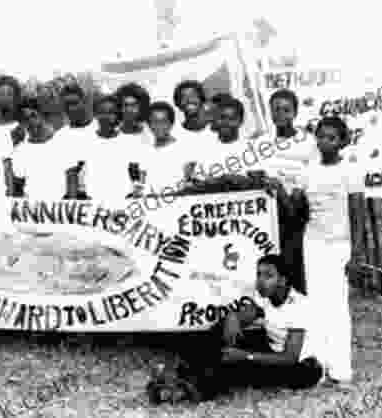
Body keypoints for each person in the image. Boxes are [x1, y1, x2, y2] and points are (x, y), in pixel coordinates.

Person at [150, 254, 323, 404]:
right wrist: (233, 319)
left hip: (302, 368)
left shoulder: (300, 306)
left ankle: (187, 389)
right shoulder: (266, 297)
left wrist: (246, 356)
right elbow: (243, 316)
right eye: (259, 274)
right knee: (223, 329)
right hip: (273, 349)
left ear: (283, 281)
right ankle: (182, 374)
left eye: (268, 276)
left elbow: (289, 358)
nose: (260, 281)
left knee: (237, 365)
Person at [293, 116, 362, 385]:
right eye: (320, 137)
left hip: (339, 245)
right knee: (317, 305)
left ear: (343, 141)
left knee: (337, 305)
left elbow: (357, 214)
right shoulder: (308, 171)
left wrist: (357, 254)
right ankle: (319, 366)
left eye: (331, 138)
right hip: (313, 243)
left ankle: (341, 368)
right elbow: (299, 210)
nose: (325, 142)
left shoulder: (351, 171)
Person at [261, 89, 316, 294]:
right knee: (272, 259)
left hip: (295, 208)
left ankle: (297, 304)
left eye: (286, 110)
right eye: (276, 110)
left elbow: (313, 173)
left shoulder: (308, 142)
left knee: (294, 260)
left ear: (295, 113)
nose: (281, 115)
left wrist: (295, 189)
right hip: (269, 209)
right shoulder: (262, 142)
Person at [9, 97, 68, 200]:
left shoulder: (61, 142)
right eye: (26, 119)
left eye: (33, 115)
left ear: (41, 115)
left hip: (61, 206)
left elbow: (72, 178)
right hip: (32, 206)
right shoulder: (20, 150)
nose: (31, 121)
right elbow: (17, 187)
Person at [143, 101, 193, 196]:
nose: (159, 126)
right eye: (155, 121)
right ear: (149, 124)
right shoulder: (145, 152)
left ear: (171, 124)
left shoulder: (184, 150)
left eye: (163, 121)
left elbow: (189, 185)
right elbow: (142, 185)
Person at [0, 75, 26, 147]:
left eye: (9, 94)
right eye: (1, 94)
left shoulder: (20, 126)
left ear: (16, 97)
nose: (4, 98)